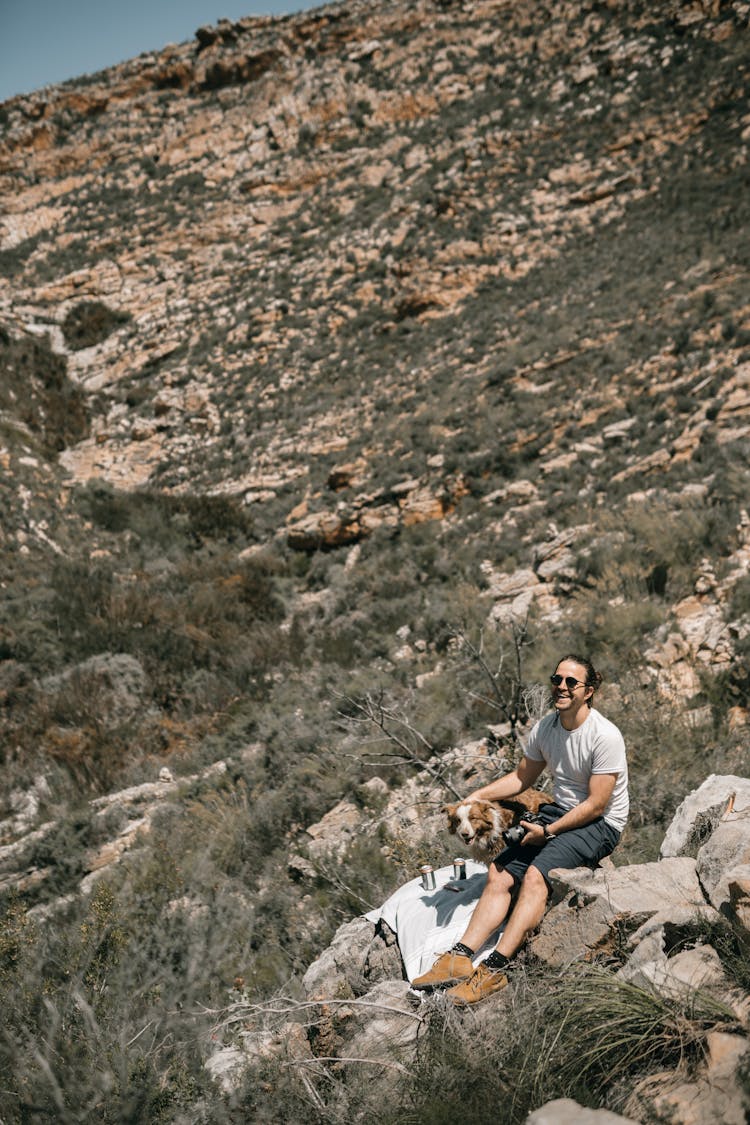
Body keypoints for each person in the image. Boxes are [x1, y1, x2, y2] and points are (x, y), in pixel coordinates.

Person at [412, 653, 628, 1005]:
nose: (561, 686)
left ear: (588, 691)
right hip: (560, 811)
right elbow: (521, 778)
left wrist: (550, 831)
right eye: (556, 679)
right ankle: (460, 957)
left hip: (600, 824)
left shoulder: (604, 735)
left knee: (535, 876)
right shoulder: (547, 728)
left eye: (571, 682)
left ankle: (494, 969)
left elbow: (597, 804)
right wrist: (476, 795)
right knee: (499, 872)